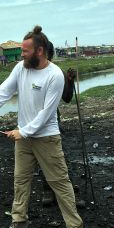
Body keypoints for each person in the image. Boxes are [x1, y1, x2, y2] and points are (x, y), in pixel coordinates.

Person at [0, 25, 84, 228]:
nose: (21, 54)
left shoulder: (55, 75)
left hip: (47, 138)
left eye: (25, 51)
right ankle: (19, 221)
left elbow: (47, 113)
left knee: (60, 184)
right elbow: (3, 91)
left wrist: (23, 131)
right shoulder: (21, 68)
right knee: (20, 180)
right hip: (23, 139)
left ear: (39, 51)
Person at [40, 40, 76, 206]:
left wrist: (70, 81)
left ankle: (58, 190)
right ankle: (48, 190)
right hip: (32, 121)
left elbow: (67, 98)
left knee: (55, 156)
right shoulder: (29, 71)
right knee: (41, 158)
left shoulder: (57, 72)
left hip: (52, 120)